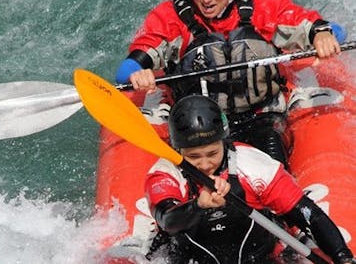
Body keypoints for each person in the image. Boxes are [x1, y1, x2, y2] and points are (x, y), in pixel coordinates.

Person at [114, 0, 346, 166]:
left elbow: (324, 27)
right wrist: (137, 73)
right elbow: (130, 65)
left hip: (260, 116)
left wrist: (322, 35)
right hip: (200, 127)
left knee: (272, 163)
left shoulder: (262, 9)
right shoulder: (170, 18)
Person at [144, 94, 355, 263]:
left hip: (261, 257)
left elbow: (309, 215)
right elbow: (167, 221)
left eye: (212, 154)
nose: (205, 164)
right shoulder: (165, 172)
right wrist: (197, 206)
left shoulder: (252, 165)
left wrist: (342, 257)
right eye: (193, 157)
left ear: (224, 143)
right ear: (177, 149)